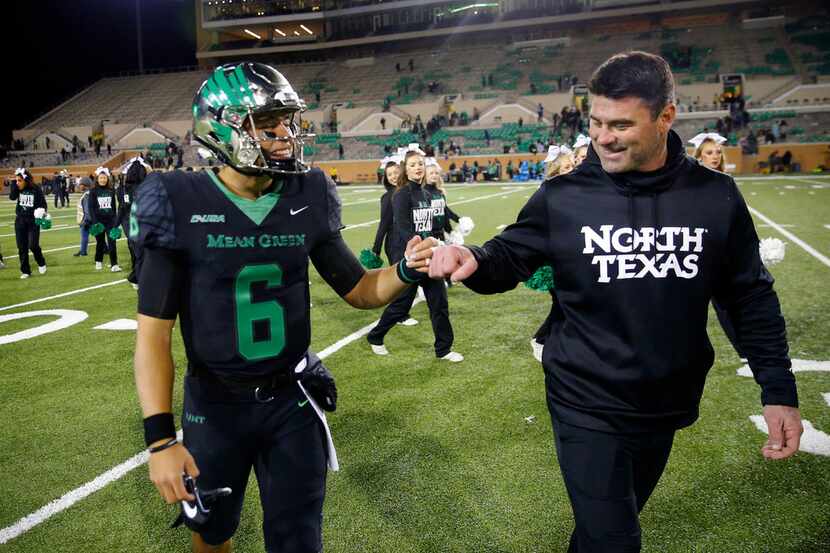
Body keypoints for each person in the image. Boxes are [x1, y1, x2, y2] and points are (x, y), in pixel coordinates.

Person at [423, 51, 802, 552]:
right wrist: (470, 257)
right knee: (616, 541)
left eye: (621, 124)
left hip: (666, 400)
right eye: (596, 122)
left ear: (666, 116)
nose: (603, 137)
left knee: (602, 534)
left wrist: (778, 388)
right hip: (585, 397)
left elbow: (748, 296)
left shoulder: (715, 196)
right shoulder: (564, 195)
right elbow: (507, 257)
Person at [132, 62, 437, 553]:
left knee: (299, 539)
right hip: (215, 405)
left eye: (288, 123)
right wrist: (161, 440)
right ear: (222, 127)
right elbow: (153, 336)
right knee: (212, 535)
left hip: (291, 400)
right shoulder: (176, 199)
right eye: (267, 126)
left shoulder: (308, 191)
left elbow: (358, 289)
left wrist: (404, 270)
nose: (285, 137)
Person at [367, 148, 463, 362]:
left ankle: (444, 349)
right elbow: (402, 228)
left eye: (420, 163)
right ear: (406, 170)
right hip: (411, 258)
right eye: (412, 165)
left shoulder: (427, 193)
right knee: (401, 305)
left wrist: (445, 239)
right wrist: (417, 250)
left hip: (429, 256)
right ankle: (375, 336)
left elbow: (429, 226)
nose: (417, 168)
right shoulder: (401, 194)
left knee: (439, 303)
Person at [372, 154, 418, 327]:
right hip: (396, 242)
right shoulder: (388, 197)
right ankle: (400, 315)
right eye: (389, 174)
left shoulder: (408, 191)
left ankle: (402, 311)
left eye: (395, 173)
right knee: (402, 279)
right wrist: (376, 248)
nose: (392, 177)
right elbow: (383, 224)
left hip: (409, 239)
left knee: (409, 277)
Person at [119, 157, 151, 286]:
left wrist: (117, 224)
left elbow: (122, 208)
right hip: (138, 224)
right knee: (142, 253)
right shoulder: (145, 187)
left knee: (138, 252)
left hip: (130, 224)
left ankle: (136, 276)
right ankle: (135, 277)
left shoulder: (124, 188)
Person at [10, 168, 48, 279]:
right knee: (22, 247)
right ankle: (25, 271)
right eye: (16, 180)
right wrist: (14, 183)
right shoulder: (18, 189)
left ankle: (41, 262)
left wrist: (43, 214)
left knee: (33, 245)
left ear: (26, 180)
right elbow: (12, 197)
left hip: (33, 221)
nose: (17, 183)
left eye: (19, 180)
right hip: (20, 221)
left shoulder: (36, 189)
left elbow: (43, 204)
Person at [88, 167, 121, 272]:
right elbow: (91, 208)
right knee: (100, 242)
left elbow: (113, 206)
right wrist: (95, 222)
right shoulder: (93, 191)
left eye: (104, 178)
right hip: (98, 220)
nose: (103, 180)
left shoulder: (111, 190)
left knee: (112, 242)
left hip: (110, 220)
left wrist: (115, 221)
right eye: (101, 178)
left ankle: (114, 264)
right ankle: (98, 261)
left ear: (107, 179)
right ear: (97, 179)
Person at [74, 182, 91, 257]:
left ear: (85, 186)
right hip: (87, 219)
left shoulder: (86, 195)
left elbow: (87, 209)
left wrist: (85, 220)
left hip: (85, 220)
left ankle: (83, 252)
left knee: (84, 236)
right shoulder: (87, 194)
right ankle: (106, 249)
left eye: (81, 185)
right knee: (98, 235)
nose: (79, 186)